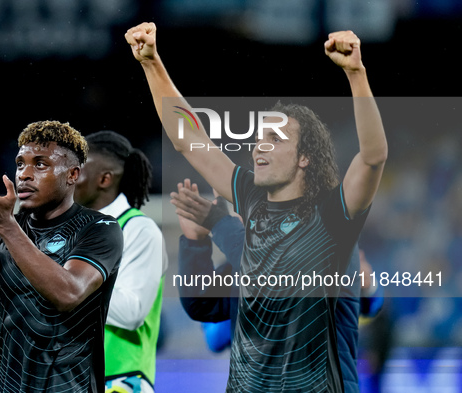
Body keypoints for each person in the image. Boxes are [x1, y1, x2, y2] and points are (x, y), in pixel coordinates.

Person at [126, 22, 388, 392]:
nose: (258, 146)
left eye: (275, 138)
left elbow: (374, 157)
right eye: (258, 137)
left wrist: (357, 75)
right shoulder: (249, 197)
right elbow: (190, 139)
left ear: (305, 158)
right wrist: (152, 63)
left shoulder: (334, 215)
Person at [0, 120, 124, 393]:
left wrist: (6, 225)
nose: (25, 174)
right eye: (21, 164)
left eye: (40, 164)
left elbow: (68, 294)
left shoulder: (100, 229)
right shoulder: (2, 229)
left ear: (72, 174)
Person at [172, 179, 385, 392]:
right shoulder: (239, 264)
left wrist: (368, 287)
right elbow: (202, 309)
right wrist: (195, 241)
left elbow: (368, 306)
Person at [74, 130, 167, 393]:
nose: (68, 177)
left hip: (120, 380)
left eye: (78, 169)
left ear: (104, 179)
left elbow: (132, 312)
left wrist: (69, 281)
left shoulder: (139, 230)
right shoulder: (71, 231)